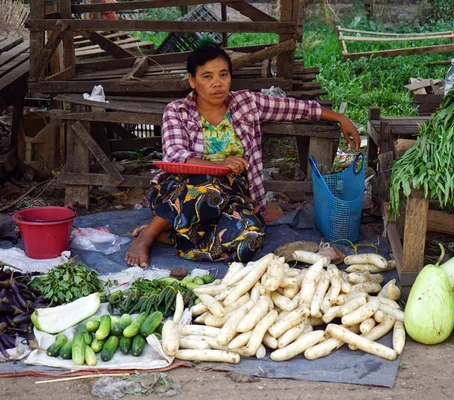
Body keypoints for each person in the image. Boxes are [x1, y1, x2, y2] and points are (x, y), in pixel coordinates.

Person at [125, 44, 361, 267]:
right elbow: (175, 155)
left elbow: (295, 108)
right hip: (181, 191)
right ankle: (148, 234)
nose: (217, 83)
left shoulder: (246, 103)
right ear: (192, 81)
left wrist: (340, 118)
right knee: (209, 188)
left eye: (223, 75)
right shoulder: (177, 111)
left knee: (250, 240)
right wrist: (219, 167)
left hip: (234, 197)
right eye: (207, 76)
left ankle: (174, 235)